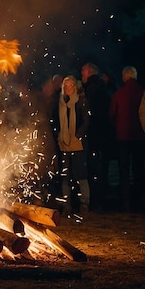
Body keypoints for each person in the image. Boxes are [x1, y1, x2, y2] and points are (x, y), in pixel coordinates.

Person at [109, 66, 145, 212]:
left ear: (125, 76)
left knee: (124, 170)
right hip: (139, 137)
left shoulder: (119, 94)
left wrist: (117, 126)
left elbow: (112, 115)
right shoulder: (143, 93)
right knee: (139, 169)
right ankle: (140, 198)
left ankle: (125, 201)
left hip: (123, 137)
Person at [53, 75, 91, 217]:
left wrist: (77, 135)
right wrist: (60, 135)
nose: (68, 88)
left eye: (70, 86)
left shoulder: (81, 101)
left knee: (81, 175)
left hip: (78, 144)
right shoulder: (61, 102)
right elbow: (57, 120)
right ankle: (67, 204)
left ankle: (84, 203)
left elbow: (86, 121)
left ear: (75, 87)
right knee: (66, 175)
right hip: (64, 144)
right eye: (65, 86)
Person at [80, 62, 113, 212]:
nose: (81, 75)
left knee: (95, 170)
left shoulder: (92, 90)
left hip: (95, 136)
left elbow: (91, 115)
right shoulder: (102, 88)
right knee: (101, 170)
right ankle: (101, 200)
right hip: (104, 136)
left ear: (89, 72)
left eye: (83, 72)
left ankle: (97, 202)